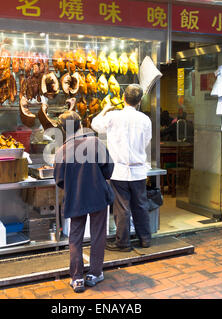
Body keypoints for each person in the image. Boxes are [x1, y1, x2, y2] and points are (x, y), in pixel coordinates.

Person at [54, 110, 114, 293]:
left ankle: (77, 278)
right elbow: (109, 169)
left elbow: (59, 180)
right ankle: (95, 273)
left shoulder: (61, 151)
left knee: (75, 237)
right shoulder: (95, 143)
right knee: (98, 235)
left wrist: (75, 185)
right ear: (80, 125)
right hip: (98, 195)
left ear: (63, 130)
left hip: (76, 198)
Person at [91, 84, 152, 252]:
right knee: (140, 205)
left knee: (122, 207)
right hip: (139, 170)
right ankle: (145, 239)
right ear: (139, 101)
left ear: (123, 98)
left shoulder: (113, 116)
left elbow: (95, 124)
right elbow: (147, 140)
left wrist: (104, 109)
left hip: (119, 171)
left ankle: (123, 243)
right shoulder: (145, 119)